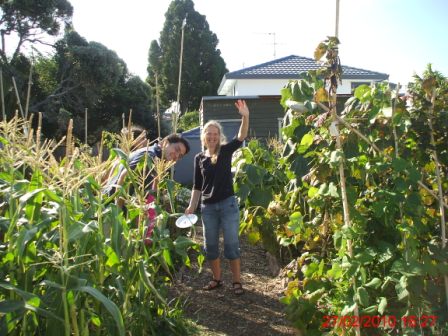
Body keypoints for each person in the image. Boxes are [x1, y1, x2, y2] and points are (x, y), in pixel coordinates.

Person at [185, 99, 249, 295]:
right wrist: (191, 206)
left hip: (228, 205)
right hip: (208, 208)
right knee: (210, 246)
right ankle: (217, 279)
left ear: (219, 136)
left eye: (215, 134)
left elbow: (241, 137)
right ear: (204, 137)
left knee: (231, 245)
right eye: (209, 134)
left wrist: (245, 116)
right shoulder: (199, 158)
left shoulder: (225, 151)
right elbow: (197, 186)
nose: (212, 137)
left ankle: (237, 282)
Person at [104, 133, 190, 243]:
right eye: (176, 149)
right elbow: (124, 176)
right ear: (165, 143)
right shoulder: (150, 156)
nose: (176, 156)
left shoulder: (157, 158)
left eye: (180, 156)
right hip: (113, 210)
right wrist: (118, 211)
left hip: (122, 210)